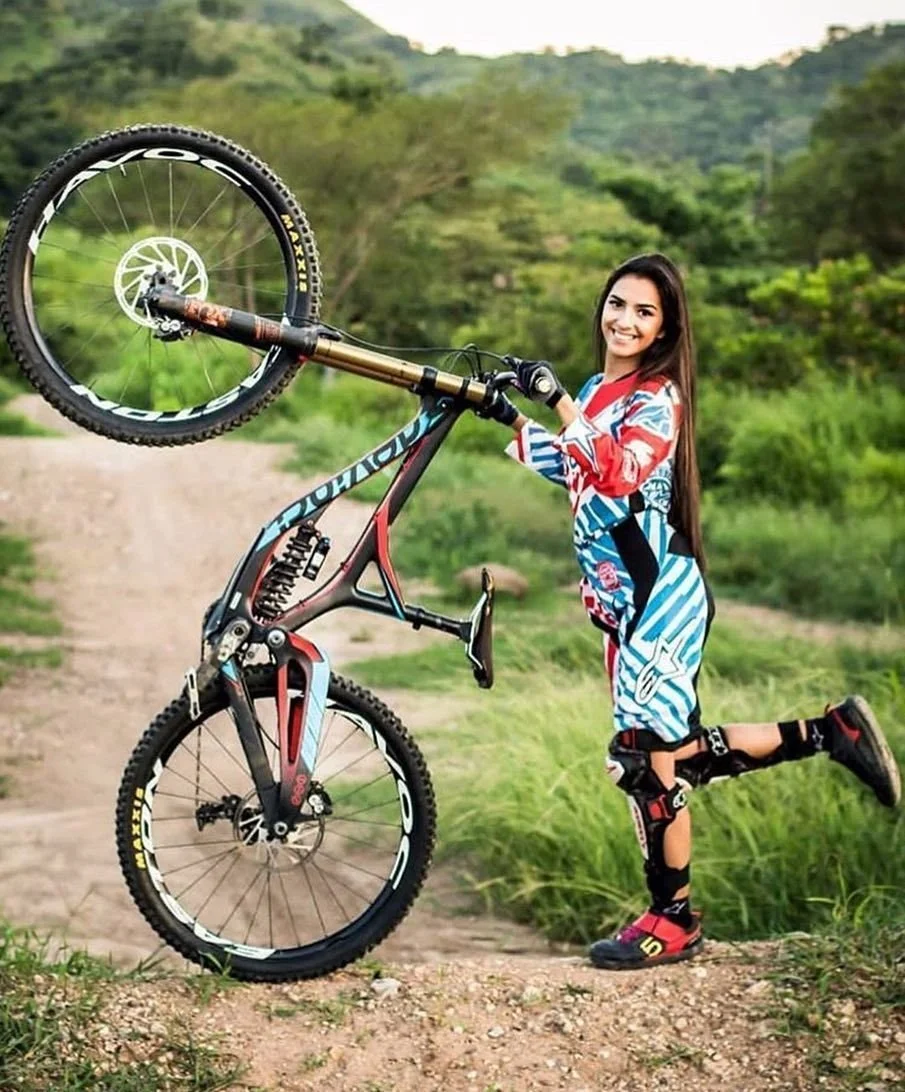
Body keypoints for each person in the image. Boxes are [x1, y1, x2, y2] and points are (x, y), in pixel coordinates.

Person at [482, 252, 901, 970]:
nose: (624, 320)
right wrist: (505, 416)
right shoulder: (597, 392)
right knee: (665, 753)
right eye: (617, 303)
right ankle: (829, 730)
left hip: (660, 599)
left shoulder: (657, 400)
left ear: (664, 327)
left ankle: (672, 919)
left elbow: (616, 469)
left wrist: (556, 403)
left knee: (646, 763)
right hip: (622, 609)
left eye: (644, 311)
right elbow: (575, 467)